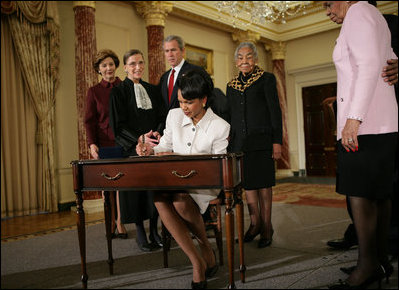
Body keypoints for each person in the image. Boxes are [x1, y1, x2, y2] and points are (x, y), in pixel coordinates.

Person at [322, 2, 398, 289]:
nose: (327, 10)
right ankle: (379, 261)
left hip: (365, 126)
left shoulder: (359, 12)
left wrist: (353, 120)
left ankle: (367, 266)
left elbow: (368, 66)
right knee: (378, 195)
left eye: (328, 3)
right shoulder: (372, 15)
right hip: (381, 124)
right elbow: (387, 62)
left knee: (360, 195)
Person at [137, 69, 228, 289]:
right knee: (159, 198)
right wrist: (150, 150)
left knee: (178, 199)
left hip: (204, 185)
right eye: (180, 102)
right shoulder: (174, 116)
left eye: (188, 102)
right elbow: (165, 147)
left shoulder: (220, 126)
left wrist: (184, 162)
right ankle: (197, 259)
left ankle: (204, 246)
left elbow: (219, 167)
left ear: (204, 100)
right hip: (174, 180)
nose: (183, 108)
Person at [226, 42, 282, 248]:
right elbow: (231, 116)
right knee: (248, 185)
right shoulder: (231, 86)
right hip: (240, 144)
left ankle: (267, 226)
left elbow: (275, 112)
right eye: (240, 57)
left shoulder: (266, 79)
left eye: (249, 57)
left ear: (256, 59)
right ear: (235, 61)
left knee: (264, 185)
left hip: (263, 141)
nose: (244, 61)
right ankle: (254, 223)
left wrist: (277, 142)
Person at [109, 49, 166, 252]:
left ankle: (155, 231)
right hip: (132, 148)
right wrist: (139, 139)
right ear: (125, 68)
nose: (137, 67)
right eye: (132, 64)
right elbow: (118, 126)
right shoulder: (118, 92)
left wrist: (157, 134)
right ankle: (141, 232)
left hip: (153, 147)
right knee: (137, 192)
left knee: (154, 189)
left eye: (140, 63)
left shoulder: (152, 90)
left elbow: (162, 116)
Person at [84, 49, 127, 239]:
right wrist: (92, 144)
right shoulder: (93, 92)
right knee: (108, 186)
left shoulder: (125, 87)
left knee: (122, 186)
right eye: (104, 66)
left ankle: (120, 222)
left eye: (111, 64)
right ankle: (109, 221)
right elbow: (89, 121)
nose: (108, 68)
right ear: (99, 70)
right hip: (104, 144)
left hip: (124, 143)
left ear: (116, 66)